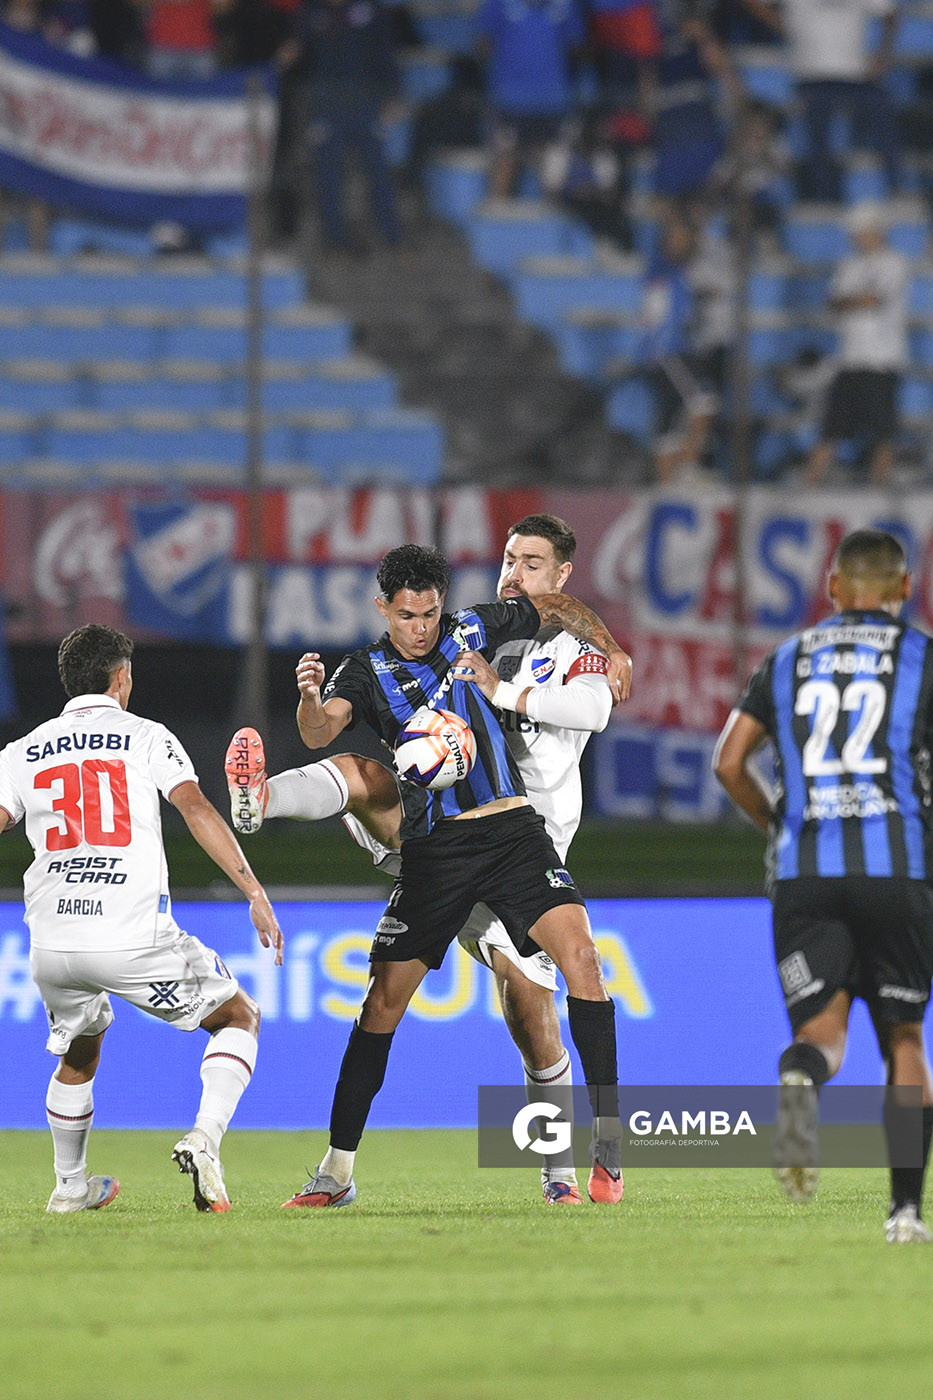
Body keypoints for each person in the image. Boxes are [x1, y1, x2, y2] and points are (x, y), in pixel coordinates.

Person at [227, 516, 620, 1205]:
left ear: (444, 603)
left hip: (514, 836)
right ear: (383, 608)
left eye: (430, 612)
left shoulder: (474, 631)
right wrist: (308, 702)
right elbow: (322, 729)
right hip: (434, 851)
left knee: (568, 974)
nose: (419, 626)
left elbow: (555, 606)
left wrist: (608, 647)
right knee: (380, 1003)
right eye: (406, 615)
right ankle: (336, 1173)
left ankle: (598, 1157)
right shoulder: (366, 669)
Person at [0, 624, 283, 1214]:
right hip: (130, 933)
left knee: (79, 1050)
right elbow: (195, 807)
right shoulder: (146, 736)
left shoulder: (22, 751)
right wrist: (253, 889)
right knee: (238, 1016)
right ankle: (205, 1138)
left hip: (52, 941)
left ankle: (70, 1187)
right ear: (121, 677)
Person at [713, 529, 933, 1244]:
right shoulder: (921, 656)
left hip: (804, 870)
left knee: (819, 1035)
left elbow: (727, 762)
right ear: (904, 590)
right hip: (893, 868)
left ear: (833, 590)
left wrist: (777, 823)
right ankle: (903, 1213)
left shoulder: (785, 658)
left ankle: (801, 1082)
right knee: (901, 1038)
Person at [805, 202, 908, 488]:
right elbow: (835, 301)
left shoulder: (893, 262)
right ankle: (809, 487)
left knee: (884, 432)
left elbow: (873, 300)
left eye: (860, 231)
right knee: (830, 428)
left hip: (881, 360)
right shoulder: (849, 265)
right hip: (850, 359)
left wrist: (851, 300)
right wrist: (856, 300)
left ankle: (879, 487)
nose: (855, 236)